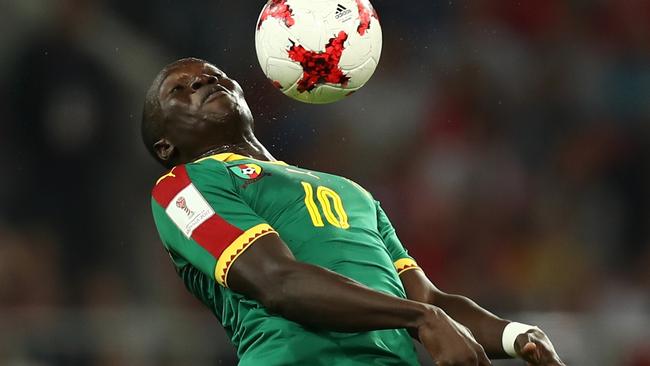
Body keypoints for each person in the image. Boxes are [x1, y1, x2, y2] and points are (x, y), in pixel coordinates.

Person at [142, 57, 565, 366]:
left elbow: (427, 297)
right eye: (179, 89)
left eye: (215, 76)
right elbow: (276, 282)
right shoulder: (184, 186)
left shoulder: (351, 191)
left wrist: (516, 336)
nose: (203, 81)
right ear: (165, 146)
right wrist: (421, 317)